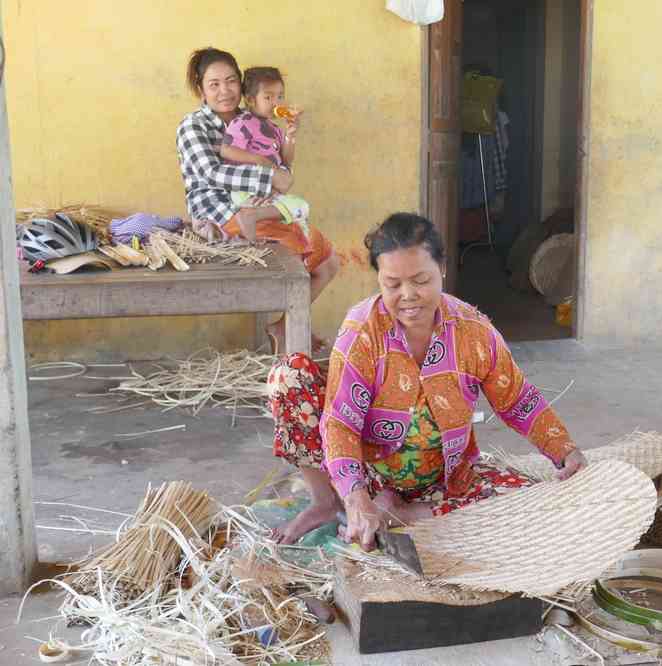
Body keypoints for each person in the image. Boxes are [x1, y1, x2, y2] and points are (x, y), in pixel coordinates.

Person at [266, 213, 588, 547]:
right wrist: (355, 496)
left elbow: (517, 399)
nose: (408, 295)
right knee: (288, 376)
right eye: (392, 284)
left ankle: (404, 515)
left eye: (421, 280)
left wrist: (564, 449)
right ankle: (330, 503)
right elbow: (341, 424)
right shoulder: (362, 331)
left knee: (530, 500)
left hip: (443, 481)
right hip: (370, 474)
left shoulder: (473, 330)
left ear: (443, 269)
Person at [176, 48, 337, 353]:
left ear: (242, 85)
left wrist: (289, 139)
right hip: (221, 213)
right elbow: (212, 173)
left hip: (261, 207)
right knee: (320, 260)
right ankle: (291, 333)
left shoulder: (253, 119)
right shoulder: (193, 126)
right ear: (201, 90)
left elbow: (281, 168)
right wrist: (270, 177)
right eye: (214, 84)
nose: (224, 91)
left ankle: (285, 327)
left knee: (329, 264)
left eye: (231, 81)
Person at [221, 66, 311, 242]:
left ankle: (255, 229)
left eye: (280, 96)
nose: (276, 103)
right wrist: (258, 159)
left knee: (299, 211)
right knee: (301, 207)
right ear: (251, 100)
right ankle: (250, 217)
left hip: (268, 190)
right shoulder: (243, 122)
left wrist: (290, 136)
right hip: (247, 190)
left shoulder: (275, 129)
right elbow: (226, 150)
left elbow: (286, 161)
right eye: (268, 97)